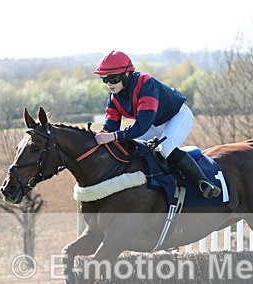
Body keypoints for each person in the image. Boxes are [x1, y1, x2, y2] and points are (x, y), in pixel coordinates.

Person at [92, 51, 221, 199]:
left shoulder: (146, 84)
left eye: (113, 78)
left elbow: (141, 126)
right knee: (130, 147)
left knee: (166, 148)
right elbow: (109, 129)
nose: (109, 84)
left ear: (127, 75)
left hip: (177, 117)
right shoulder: (114, 98)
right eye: (104, 79)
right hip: (154, 124)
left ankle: (204, 183)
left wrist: (114, 136)